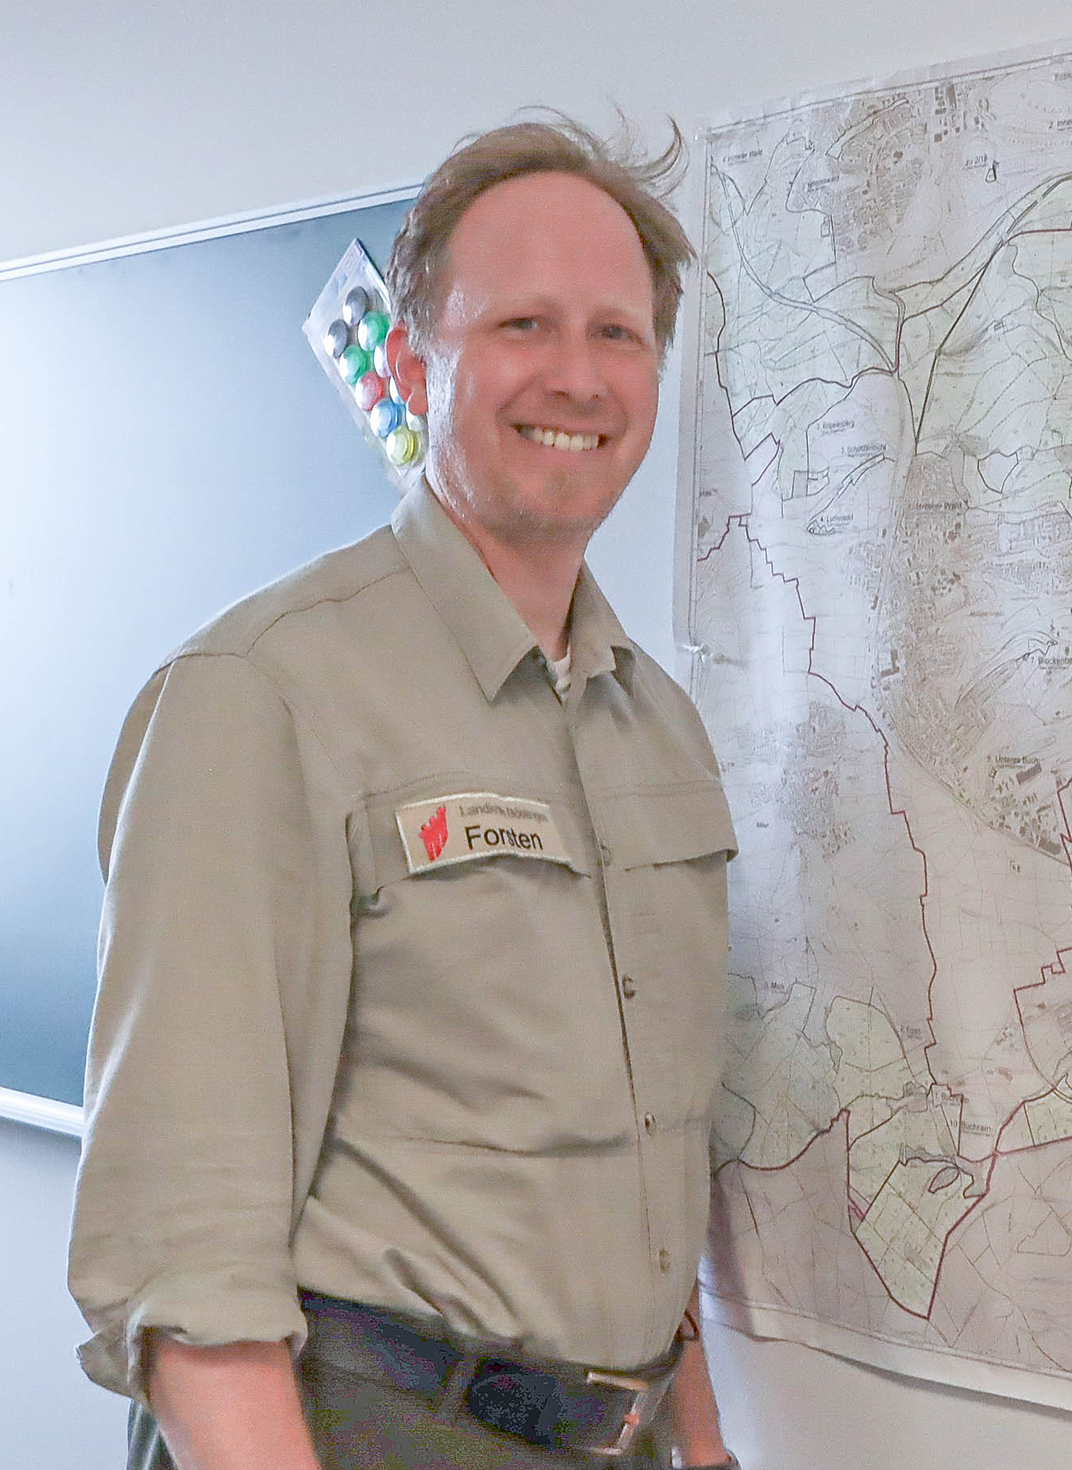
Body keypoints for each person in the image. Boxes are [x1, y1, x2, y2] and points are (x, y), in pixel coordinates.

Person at [68, 115, 741, 1470]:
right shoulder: (261, 693)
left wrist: (707, 1448)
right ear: (410, 359)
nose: (578, 374)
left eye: (618, 334)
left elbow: (648, 1170)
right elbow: (190, 1259)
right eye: (522, 326)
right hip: (363, 1428)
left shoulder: (658, 727)